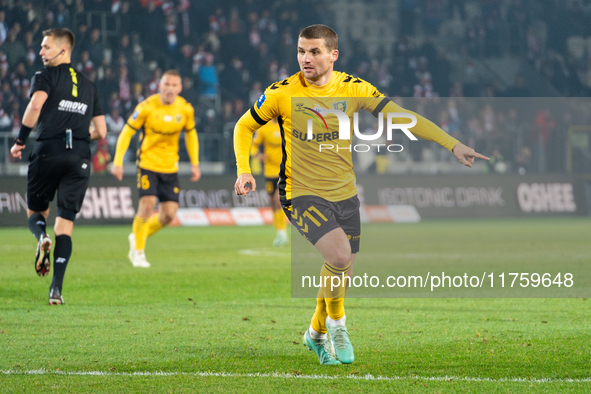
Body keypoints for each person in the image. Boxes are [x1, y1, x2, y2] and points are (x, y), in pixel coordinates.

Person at [233, 24, 489, 365]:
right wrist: (243, 168)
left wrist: (452, 144)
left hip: (345, 194)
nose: (305, 59)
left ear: (333, 55)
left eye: (314, 52)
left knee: (342, 270)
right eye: (300, 51)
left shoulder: (354, 88)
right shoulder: (281, 93)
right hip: (301, 193)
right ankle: (338, 326)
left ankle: (315, 333)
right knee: (339, 257)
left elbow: (402, 117)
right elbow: (243, 125)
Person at [9, 28, 107, 305]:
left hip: (48, 150)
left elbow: (35, 105)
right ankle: (56, 290)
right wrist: (77, 131)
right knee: (66, 222)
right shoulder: (89, 84)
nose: (40, 52)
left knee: (36, 211)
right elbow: (101, 130)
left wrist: (19, 141)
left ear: (63, 50)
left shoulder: (45, 76)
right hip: (79, 156)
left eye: (46, 47)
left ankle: (41, 237)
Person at [111, 69, 201, 268]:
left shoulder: (185, 109)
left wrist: (195, 163)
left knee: (168, 214)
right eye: (166, 84)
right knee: (147, 203)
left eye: (174, 85)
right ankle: (138, 252)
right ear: (159, 85)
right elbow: (126, 132)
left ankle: (137, 236)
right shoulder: (146, 107)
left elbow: (191, 136)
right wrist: (118, 161)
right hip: (148, 164)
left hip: (170, 167)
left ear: (180, 88)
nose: (170, 89)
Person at [250, 117, 288, 246]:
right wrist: (258, 155)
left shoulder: (288, 125)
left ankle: (282, 232)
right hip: (269, 171)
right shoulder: (264, 128)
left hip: (285, 170)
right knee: (273, 202)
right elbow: (254, 146)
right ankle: (279, 231)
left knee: (279, 200)